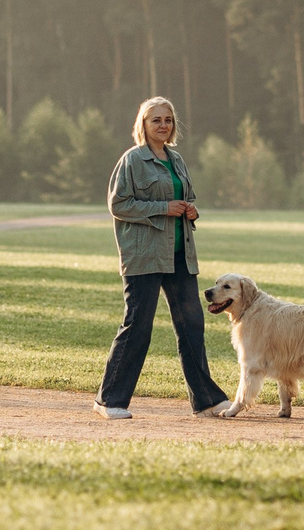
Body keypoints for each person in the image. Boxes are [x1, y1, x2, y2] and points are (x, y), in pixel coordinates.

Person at [95, 96, 230, 419]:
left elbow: (187, 196)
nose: (163, 125)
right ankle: (109, 400)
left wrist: (191, 210)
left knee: (192, 326)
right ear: (143, 124)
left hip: (180, 256)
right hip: (144, 257)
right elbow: (119, 205)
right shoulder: (132, 161)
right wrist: (162, 208)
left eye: (168, 119)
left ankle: (206, 400)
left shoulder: (177, 160)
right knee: (137, 326)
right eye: (156, 119)